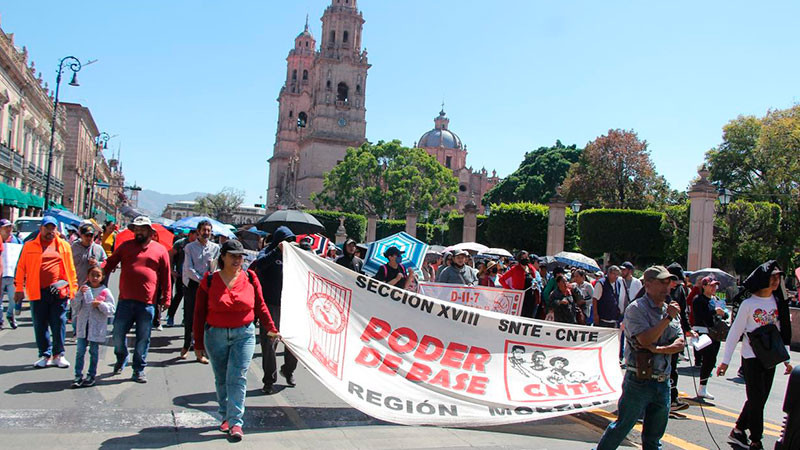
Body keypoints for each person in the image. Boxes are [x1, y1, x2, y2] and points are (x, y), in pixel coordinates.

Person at [193, 240, 281, 441]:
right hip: (215, 335)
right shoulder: (208, 280)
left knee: (238, 377)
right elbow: (198, 314)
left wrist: (271, 328)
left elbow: (260, 305)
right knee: (222, 377)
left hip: (244, 334)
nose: (237, 259)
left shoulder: (250, 277)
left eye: (240, 256)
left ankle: (235, 422)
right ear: (222, 256)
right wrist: (198, 344)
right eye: (232, 255)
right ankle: (225, 415)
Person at [595, 266, 685, 450]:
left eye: (669, 283)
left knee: (653, 438)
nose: (667, 287)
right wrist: (666, 320)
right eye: (662, 282)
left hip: (663, 381)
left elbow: (680, 342)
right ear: (648, 284)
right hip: (639, 381)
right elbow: (645, 339)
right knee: (621, 428)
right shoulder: (636, 309)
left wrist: (658, 349)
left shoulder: (669, 310)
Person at [718, 261, 792, 450]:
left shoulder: (778, 303)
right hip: (751, 357)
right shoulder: (748, 304)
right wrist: (725, 361)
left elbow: (782, 332)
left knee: (759, 399)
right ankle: (756, 440)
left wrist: (787, 360)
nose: (776, 281)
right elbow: (735, 332)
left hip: (771, 357)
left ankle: (738, 430)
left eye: (778, 278)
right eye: (772, 277)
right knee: (757, 399)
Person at [104, 216, 171, 383]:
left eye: (142, 228)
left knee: (143, 338)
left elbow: (166, 276)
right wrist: (98, 271)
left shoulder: (160, 250)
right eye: (137, 228)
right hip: (125, 300)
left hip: (147, 303)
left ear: (150, 231)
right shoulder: (125, 247)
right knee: (118, 334)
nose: (139, 231)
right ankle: (121, 357)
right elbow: (110, 263)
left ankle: (139, 369)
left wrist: (167, 297)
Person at [14, 216, 78, 368]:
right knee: (40, 323)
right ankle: (45, 354)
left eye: (52, 228)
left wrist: (72, 289)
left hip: (58, 291)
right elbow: (21, 267)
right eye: (47, 228)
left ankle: (58, 354)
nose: (50, 231)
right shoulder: (29, 246)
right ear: (41, 228)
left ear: (56, 229)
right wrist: (18, 288)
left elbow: (71, 268)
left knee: (59, 322)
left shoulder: (63, 246)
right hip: (37, 290)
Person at [251, 226, 297, 394]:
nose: (290, 243)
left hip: (290, 305)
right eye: (287, 240)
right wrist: (276, 251)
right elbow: (260, 265)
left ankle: (289, 369)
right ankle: (269, 380)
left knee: (294, 342)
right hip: (270, 305)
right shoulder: (266, 252)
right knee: (269, 344)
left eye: (292, 240)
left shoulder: (294, 255)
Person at [181, 220, 220, 362]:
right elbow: (188, 269)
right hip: (193, 286)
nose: (206, 233)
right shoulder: (190, 248)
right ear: (198, 231)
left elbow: (216, 266)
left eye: (209, 230)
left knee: (206, 318)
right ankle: (186, 346)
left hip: (208, 287)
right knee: (190, 317)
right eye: (204, 230)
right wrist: (201, 280)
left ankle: (202, 350)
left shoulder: (215, 248)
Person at [71, 265, 115, 388]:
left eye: (98, 275)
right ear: (88, 276)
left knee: (93, 352)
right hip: (83, 326)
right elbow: (75, 307)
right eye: (92, 275)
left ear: (102, 277)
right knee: (80, 351)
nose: (95, 278)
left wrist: (100, 304)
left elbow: (111, 309)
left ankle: (91, 375)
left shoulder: (105, 292)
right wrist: (79, 294)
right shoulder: (83, 289)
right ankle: (78, 375)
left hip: (96, 328)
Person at [692, 276, 728, 400]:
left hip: (715, 333)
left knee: (711, 361)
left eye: (715, 285)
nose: (714, 288)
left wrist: (723, 313)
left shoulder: (717, 299)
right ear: (704, 286)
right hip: (702, 332)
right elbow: (701, 316)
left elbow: (725, 313)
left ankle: (703, 386)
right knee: (708, 357)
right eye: (711, 285)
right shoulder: (698, 299)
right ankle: (702, 388)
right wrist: (714, 312)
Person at [665, 262, 694, 412]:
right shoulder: (658, 289)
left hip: (674, 333)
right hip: (660, 335)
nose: (675, 285)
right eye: (673, 281)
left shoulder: (680, 290)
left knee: (673, 367)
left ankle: (672, 398)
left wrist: (687, 329)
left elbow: (683, 312)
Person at [166, 229, 196, 327]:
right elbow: (170, 254)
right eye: (196, 234)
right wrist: (171, 270)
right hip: (180, 274)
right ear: (190, 234)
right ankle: (170, 316)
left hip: (192, 276)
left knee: (190, 299)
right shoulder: (181, 243)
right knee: (179, 295)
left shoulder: (197, 245)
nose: (197, 236)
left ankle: (186, 319)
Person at [499, 251, 541, 318]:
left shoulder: (531, 268)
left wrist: (535, 283)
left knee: (530, 315)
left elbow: (535, 279)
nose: (525, 259)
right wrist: (509, 290)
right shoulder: (515, 269)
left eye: (526, 257)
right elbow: (501, 280)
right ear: (519, 259)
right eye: (523, 257)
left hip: (531, 296)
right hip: (520, 296)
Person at [71, 223, 107, 298]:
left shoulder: (98, 249)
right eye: (86, 235)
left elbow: (105, 263)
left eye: (91, 236)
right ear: (81, 235)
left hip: (93, 287)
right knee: (75, 308)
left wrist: (97, 263)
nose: (89, 238)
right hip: (77, 284)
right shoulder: (74, 247)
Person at [0, 219, 23, 330]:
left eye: (10, 227)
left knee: (13, 299)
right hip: (1, 275)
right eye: (6, 227)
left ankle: (10, 315)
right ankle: (0, 320)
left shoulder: (17, 241)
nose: (9, 230)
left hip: (13, 275)